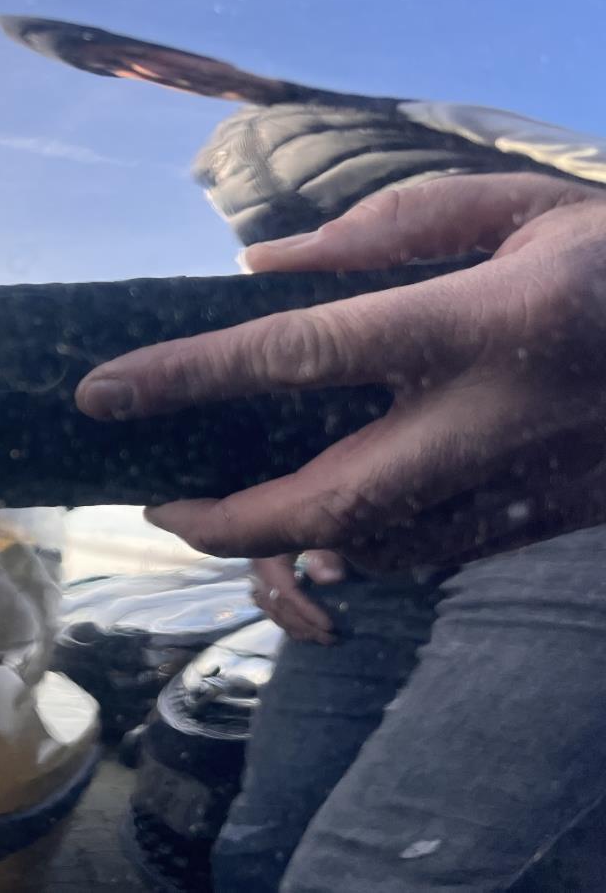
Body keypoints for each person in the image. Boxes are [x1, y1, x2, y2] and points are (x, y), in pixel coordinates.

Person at [78, 172, 606, 890]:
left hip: (578, 508)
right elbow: (325, 327)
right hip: (367, 543)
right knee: (253, 857)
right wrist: (281, 505)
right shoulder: (240, 155)